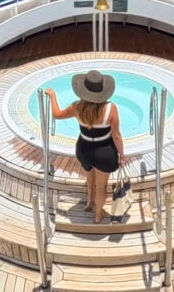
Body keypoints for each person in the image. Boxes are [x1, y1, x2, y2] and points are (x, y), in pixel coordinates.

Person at [45, 69, 125, 223]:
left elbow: (56, 114)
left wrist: (53, 96)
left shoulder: (77, 107)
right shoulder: (111, 108)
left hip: (83, 150)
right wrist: (121, 154)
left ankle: (89, 202)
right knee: (102, 186)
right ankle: (97, 215)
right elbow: (116, 135)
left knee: (90, 176)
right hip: (104, 152)